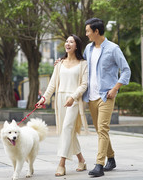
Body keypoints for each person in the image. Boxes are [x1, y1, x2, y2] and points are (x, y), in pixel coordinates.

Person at [83, 18, 131, 177]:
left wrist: (115, 88)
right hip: (91, 96)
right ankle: (111, 158)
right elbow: (81, 66)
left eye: (88, 31)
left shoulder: (113, 48)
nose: (86, 34)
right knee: (99, 130)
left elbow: (126, 70)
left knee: (102, 129)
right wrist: (61, 61)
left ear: (96, 31)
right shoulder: (88, 49)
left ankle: (99, 165)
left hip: (106, 95)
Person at [36, 34, 88, 177]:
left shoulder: (83, 64)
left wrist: (73, 97)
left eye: (71, 42)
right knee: (69, 131)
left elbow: (84, 84)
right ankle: (81, 160)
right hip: (60, 100)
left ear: (76, 45)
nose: (68, 44)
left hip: (74, 100)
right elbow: (52, 84)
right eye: (66, 41)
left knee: (66, 129)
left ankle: (61, 163)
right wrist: (44, 98)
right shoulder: (59, 64)